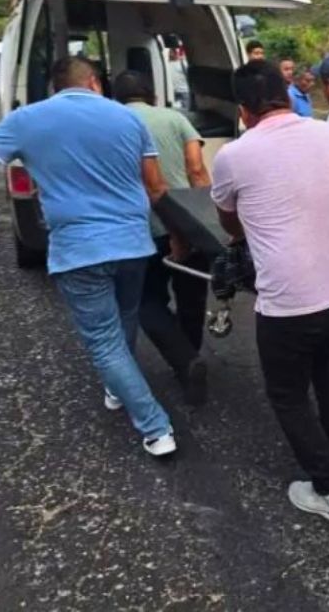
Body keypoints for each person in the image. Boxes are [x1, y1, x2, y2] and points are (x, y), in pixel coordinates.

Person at [0, 56, 178, 457]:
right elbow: (155, 185)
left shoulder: (27, 119)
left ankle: (156, 428)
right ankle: (118, 387)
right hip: (134, 244)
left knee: (104, 341)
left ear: (56, 87)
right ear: (95, 83)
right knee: (125, 318)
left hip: (79, 250)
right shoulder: (128, 118)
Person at [211, 59, 329, 522]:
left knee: (288, 394)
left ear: (244, 110)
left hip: (288, 303)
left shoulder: (235, 155)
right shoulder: (328, 132)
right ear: (289, 92)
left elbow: (227, 219)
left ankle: (327, 486)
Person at [113, 70, 210, 405]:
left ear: (116, 97)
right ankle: (190, 358)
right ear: (152, 94)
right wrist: (207, 218)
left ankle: (184, 360)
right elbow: (196, 168)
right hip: (187, 222)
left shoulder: (113, 123)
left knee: (145, 299)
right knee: (192, 296)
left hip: (139, 229)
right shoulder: (175, 118)